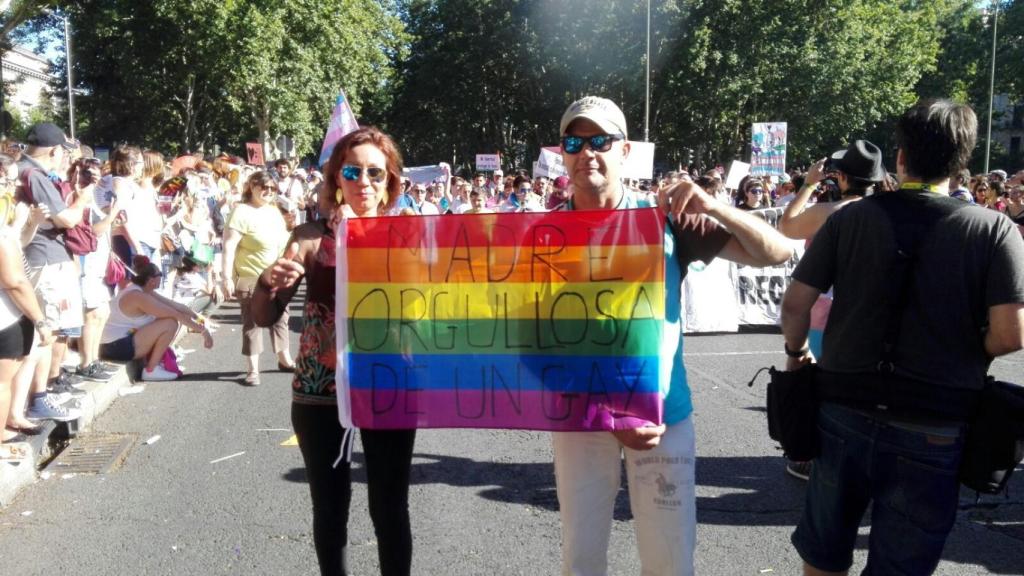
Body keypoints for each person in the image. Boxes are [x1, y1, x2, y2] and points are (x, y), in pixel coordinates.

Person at [780, 99, 1024, 575]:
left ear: (901, 158)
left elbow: (794, 305)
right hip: (936, 418)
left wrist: (797, 353)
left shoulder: (848, 218)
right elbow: (1010, 334)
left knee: (823, 556)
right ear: (962, 164)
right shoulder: (995, 229)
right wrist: (964, 346)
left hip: (843, 406)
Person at [552, 96, 791, 576]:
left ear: (625, 151)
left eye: (600, 140)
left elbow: (777, 252)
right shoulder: (542, 230)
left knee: (670, 561)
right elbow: (525, 334)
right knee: (580, 560)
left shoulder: (667, 220)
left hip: (662, 418)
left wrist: (715, 206)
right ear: (562, 153)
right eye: (574, 142)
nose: (587, 153)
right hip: (580, 418)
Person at [252, 127, 416, 576]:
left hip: (388, 387)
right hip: (319, 393)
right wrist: (268, 282)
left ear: (390, 182)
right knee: (329, 509)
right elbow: (264, 316)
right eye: (352, 171)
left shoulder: (410, 237)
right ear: (336, 178)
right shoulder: (308, 238)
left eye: (375, 173)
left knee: (389, 509)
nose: (364, 181)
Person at [776, 139, 885, 481]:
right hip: (873, 311)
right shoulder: (889, 211)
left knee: (818, 383)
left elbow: (787, 225)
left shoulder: (833, 212)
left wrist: (808, 184)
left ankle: (812, 456)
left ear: (840, 178)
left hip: (826, 309)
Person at [16, 123, 89, 422]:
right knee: (47, 332)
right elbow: (67, 220)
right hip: (46, 261)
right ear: (56, 150)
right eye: (63, 153)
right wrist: (83, 198)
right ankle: (39, 398)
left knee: (44, 332)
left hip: (35, 257)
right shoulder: (35, 175)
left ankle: (37, 396)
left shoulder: (21, 170)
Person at [222, 172, 293, 386]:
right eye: (263, 187)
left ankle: (285, 359)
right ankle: (253, 369)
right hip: (250, 276)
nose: (268, 192)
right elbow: (228, 246)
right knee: (252, 323)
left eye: (272, 188)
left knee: (281, 318)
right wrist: (226, 277)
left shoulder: (273, 211)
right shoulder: (241, 211)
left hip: (276, 274)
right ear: (251, 186)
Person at [99, 256, 213, 380]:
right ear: (151, 280)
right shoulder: (138, 296)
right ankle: (151, 370)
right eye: (159, 274)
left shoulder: (144, 291)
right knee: (170, 323)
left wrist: (197, 317)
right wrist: (204, 331)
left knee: (169, 321)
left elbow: (174, 305)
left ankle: (156, 364)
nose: (162, 276)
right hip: (115, 347)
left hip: (118, 344)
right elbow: (176, 314)